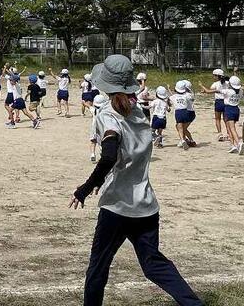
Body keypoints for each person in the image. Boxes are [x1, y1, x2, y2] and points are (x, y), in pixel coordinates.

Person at [70, 54, 203, 306]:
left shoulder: (107, 116)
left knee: (98, 268)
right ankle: (193, 304)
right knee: (153, 264)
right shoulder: (140, 114)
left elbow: (109, 155)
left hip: (117, 207)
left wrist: (85, 188)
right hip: (146, 205)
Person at [199, 69, 229, 142]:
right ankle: (229, 133)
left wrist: (201, 86)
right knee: (226, 120)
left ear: (217, 76)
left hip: (218, 102)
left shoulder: (215, 84)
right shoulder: (228, 83)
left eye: (214, 75)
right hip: (226, 102)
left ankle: (220, 134)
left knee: (217, 119)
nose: (213, 77)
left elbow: (209, 91)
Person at [221, 76, 244, 155]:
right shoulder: (240, 91)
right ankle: (232, 145)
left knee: (232, 128)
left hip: (229, 109)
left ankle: (238, 143)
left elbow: (217, 90)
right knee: (229, 128)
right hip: (236, 109)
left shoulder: (228, 91)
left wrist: (205, 90)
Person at [169, 81, 192, 150]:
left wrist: (169, 89)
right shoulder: (187, 96)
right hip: (185, 112)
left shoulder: (173, 97)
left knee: (179, 127)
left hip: (178, 112)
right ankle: (185, 139)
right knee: (183, 127)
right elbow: (191, 97)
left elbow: (169, 100)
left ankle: (182, 140)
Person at [88, 94, 109, 162]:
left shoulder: (94, 110)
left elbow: (89, 106)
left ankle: (92, 154)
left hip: (94, 127)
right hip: (103, 126)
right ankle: (102, 153)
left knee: (93, 141)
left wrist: (86, 103)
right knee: (102, 141)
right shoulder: (105, 111)